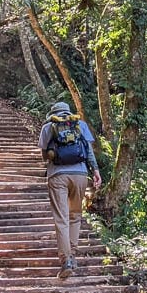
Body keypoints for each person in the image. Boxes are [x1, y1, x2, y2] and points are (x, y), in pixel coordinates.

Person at [38, 101, 102, 278]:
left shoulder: (49, 127)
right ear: (68, 111)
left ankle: (65, 260)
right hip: (80, 175)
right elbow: (88, 151)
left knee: (62, 219)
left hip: (58, 176)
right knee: (75, 216)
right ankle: (72, 257)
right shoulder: (79, 124)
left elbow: (45, 155)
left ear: (53, 113)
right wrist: (95, 171)